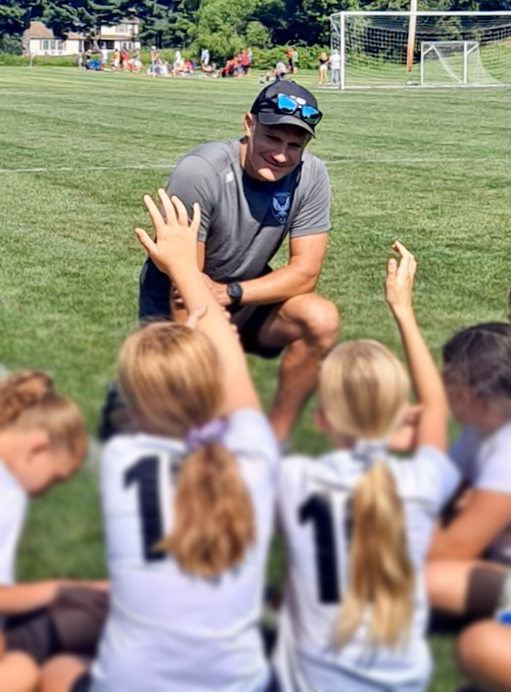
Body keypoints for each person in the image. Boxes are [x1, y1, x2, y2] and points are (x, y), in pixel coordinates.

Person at [41, 191, 280, 692]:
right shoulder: (252, 453)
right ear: (208, 387)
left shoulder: (125, 460)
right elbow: (230, 363)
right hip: (237, 682)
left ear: (133, 407)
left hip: (131, 682)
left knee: (56, 668)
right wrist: (186, 274)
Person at [273, 242, 459, 692]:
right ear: (401, 417)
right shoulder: (421, 481)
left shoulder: (294, 481)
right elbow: (435, 408)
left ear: (321, 419)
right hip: (401, 679)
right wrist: (402, 309)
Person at [138, 80, 339, 445]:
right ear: (248, 124)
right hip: (177, 299)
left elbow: (305, 273)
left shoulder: (312, 175)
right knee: (184, 421)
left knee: (321, 319)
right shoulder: (200, 171)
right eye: (272, 139)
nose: (281, 154)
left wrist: (232, 292)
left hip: (240, 295)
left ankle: (274, 440)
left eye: (295, 145)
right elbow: (184, 285)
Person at [0, 371, 107, 692]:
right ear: (38, 449)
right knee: (26, 673)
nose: (44, 492)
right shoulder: (8, 493)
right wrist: (65, 591)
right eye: (55, 478)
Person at [426, 322, 511, 620]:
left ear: (475, 392)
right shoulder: (481, 427)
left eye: (449, 376)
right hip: (493, 558)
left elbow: (453, 547)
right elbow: (441, 487)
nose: (442, 384)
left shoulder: (506, 453)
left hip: (498, 567)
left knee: (429, 580)